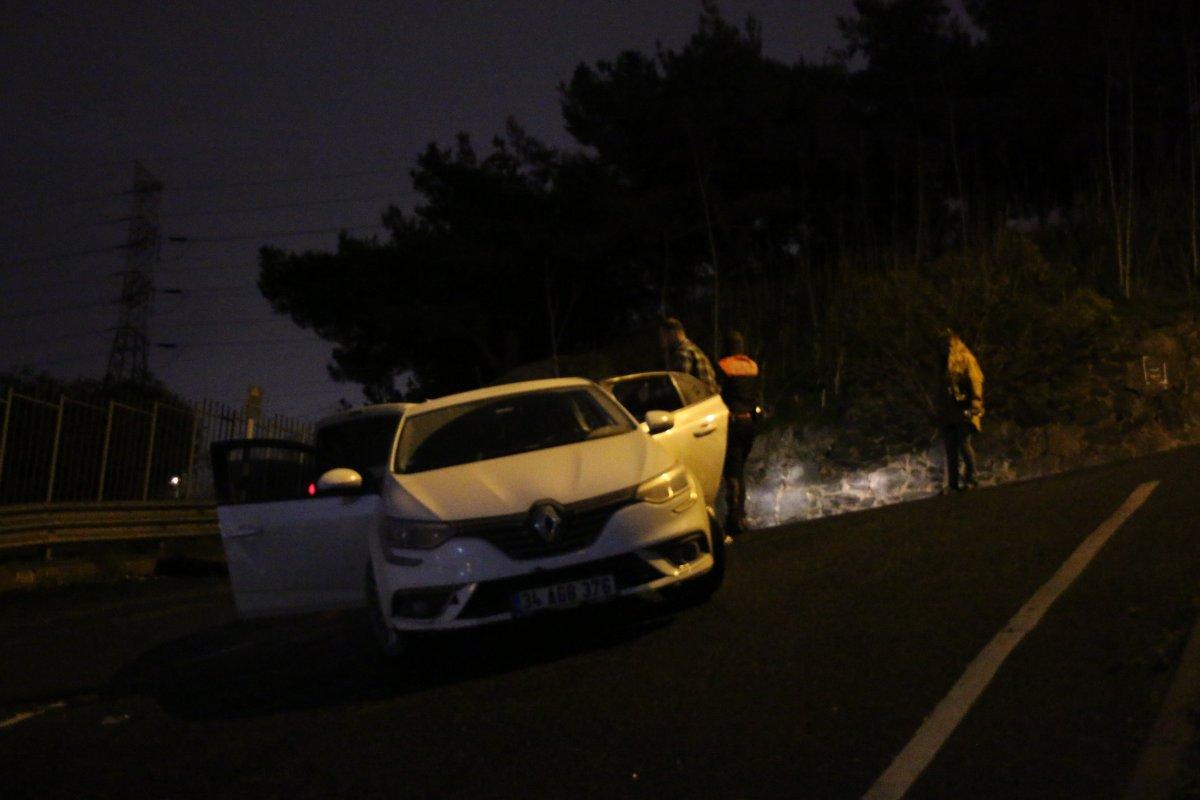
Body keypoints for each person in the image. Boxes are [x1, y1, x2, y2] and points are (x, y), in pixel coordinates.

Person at [717, 330, 760, 535]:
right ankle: (741, 514)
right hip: (750, 423)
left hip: (733, 424)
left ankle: (734, 518)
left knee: (732, 472)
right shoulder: (752, 366)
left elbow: (717, 394)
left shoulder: (723, 366)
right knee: (739, 470)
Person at [937, 328, 984, 492]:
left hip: (963, 409)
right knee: (951, 447)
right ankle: (952, 484)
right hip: (948, 411)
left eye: (946, 342)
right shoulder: (942, 363)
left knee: (964, 443)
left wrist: (975, 403)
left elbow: (975, 380)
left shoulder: (966, 359)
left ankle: (972, 479)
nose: (943, 346)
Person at [659, 317, 717, 393]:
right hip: (710, 399)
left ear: (673, 334)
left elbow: (679, 386)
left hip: (701, 400)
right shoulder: (693, 348)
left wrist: (655, 394)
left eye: (663, 336)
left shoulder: (683, 352)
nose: (661, 341)